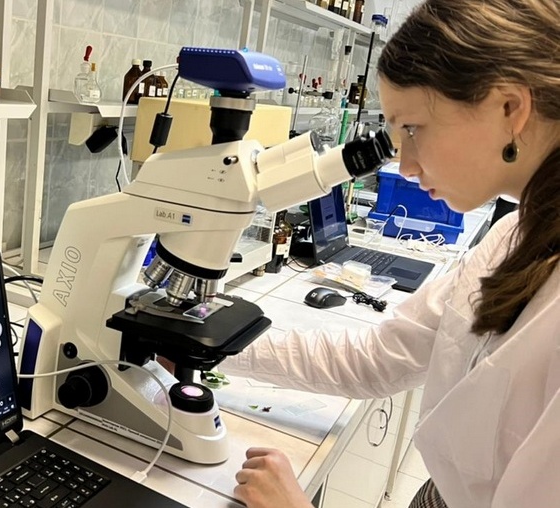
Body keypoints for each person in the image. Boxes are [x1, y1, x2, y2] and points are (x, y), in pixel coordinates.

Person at [220, 1, 560, 507]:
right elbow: (377, 359)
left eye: (413, 129)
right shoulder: (512, 235)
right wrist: (217, 343)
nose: (405, 163)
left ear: (510, 108)